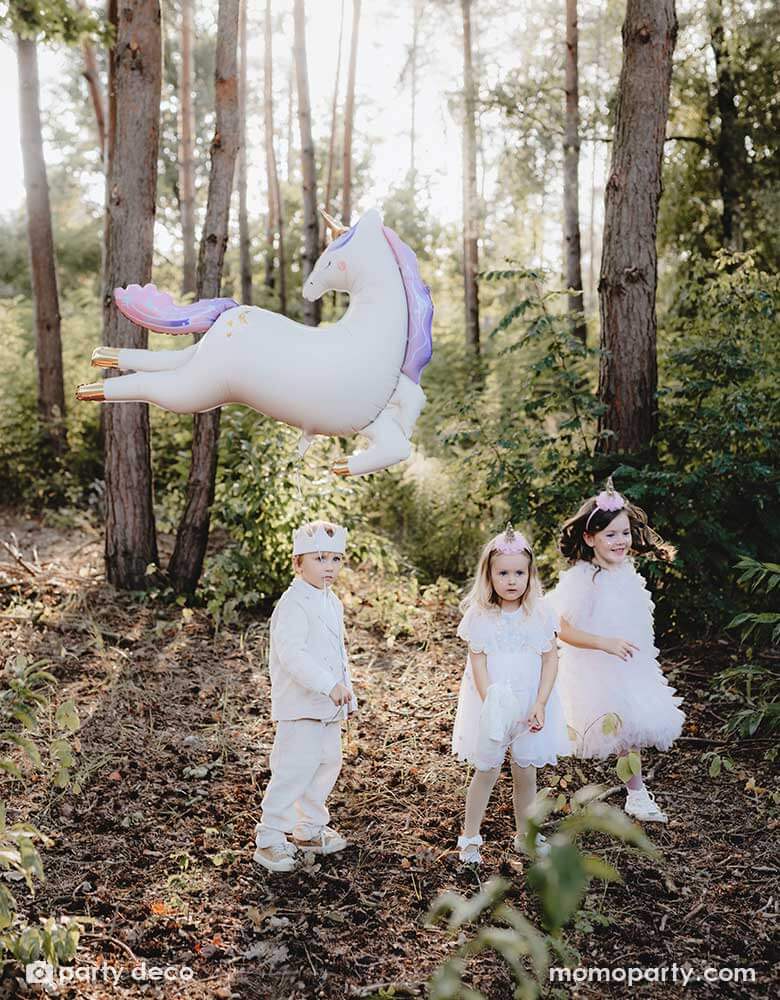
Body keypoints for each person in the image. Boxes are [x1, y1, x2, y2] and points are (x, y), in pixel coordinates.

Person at [547, 479, 685, 823]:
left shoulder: (626, 572)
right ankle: (632, 794)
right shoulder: (583, 579)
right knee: (619, 728)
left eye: (624, 533)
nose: (620, 541)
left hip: (630, 665)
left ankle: (636, 793)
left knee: (632, 729)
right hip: (598, 667)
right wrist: (603, 643)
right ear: (590, 538)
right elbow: (560, 628)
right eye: (610, 535)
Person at [452, 524, 571, 865]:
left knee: (525, 772)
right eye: (503, 573)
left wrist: (541, 702)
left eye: (519, 572)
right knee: (487, 770)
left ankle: (526, 836)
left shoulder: (540, 613)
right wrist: (492, 700)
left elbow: (550, 659)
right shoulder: (480, 616)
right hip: (494, 704)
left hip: (529, 705)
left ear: (530, 574)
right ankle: (470, 836)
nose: (511, 580)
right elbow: (477, 664)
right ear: (489, 575)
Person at [254, 519, 357, 873]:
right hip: (301, 705)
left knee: (327, 763)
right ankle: (270, 838)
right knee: (294, 769)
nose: (329, 566)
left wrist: (346, 692)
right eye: (319, 558)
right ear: (298, 563)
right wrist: (328, 684)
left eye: (336, 559)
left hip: (328, 707)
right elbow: (292, 654)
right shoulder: (294, 603)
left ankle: (310, 827)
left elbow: (337, 652)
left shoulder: (332, 602)